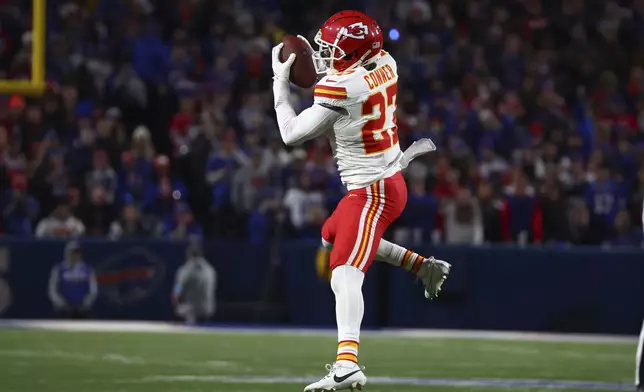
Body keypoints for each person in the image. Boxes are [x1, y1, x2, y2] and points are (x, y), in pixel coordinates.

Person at [271, 10, 451, 391]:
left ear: (352, 54)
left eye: (332, 50)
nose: (323, 55)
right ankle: (421, 266)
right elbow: (344, 77)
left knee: (344, 270)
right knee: (334, 233)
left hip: (373, 191)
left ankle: (347, 362)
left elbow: (290, 134)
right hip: (387, 180)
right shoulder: (386, 61)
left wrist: (279, 82)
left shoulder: (341, 88)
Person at [48, 241, 98, 319]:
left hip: (83, 309)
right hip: (64, 309)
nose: (76, 255)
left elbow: (93, 289)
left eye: (78, 253)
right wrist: (62, 304)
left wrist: (86, 304)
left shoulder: (88, 269)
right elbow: (53, 290)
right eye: (73, 253)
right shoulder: (59, 269)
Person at [172, 240, 216, 324]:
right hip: (209, 309)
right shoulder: (210, 269)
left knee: (179, 309)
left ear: (189, 255)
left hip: (192, 311)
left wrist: (176, 299)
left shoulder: (185, 270)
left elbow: (176, 292)